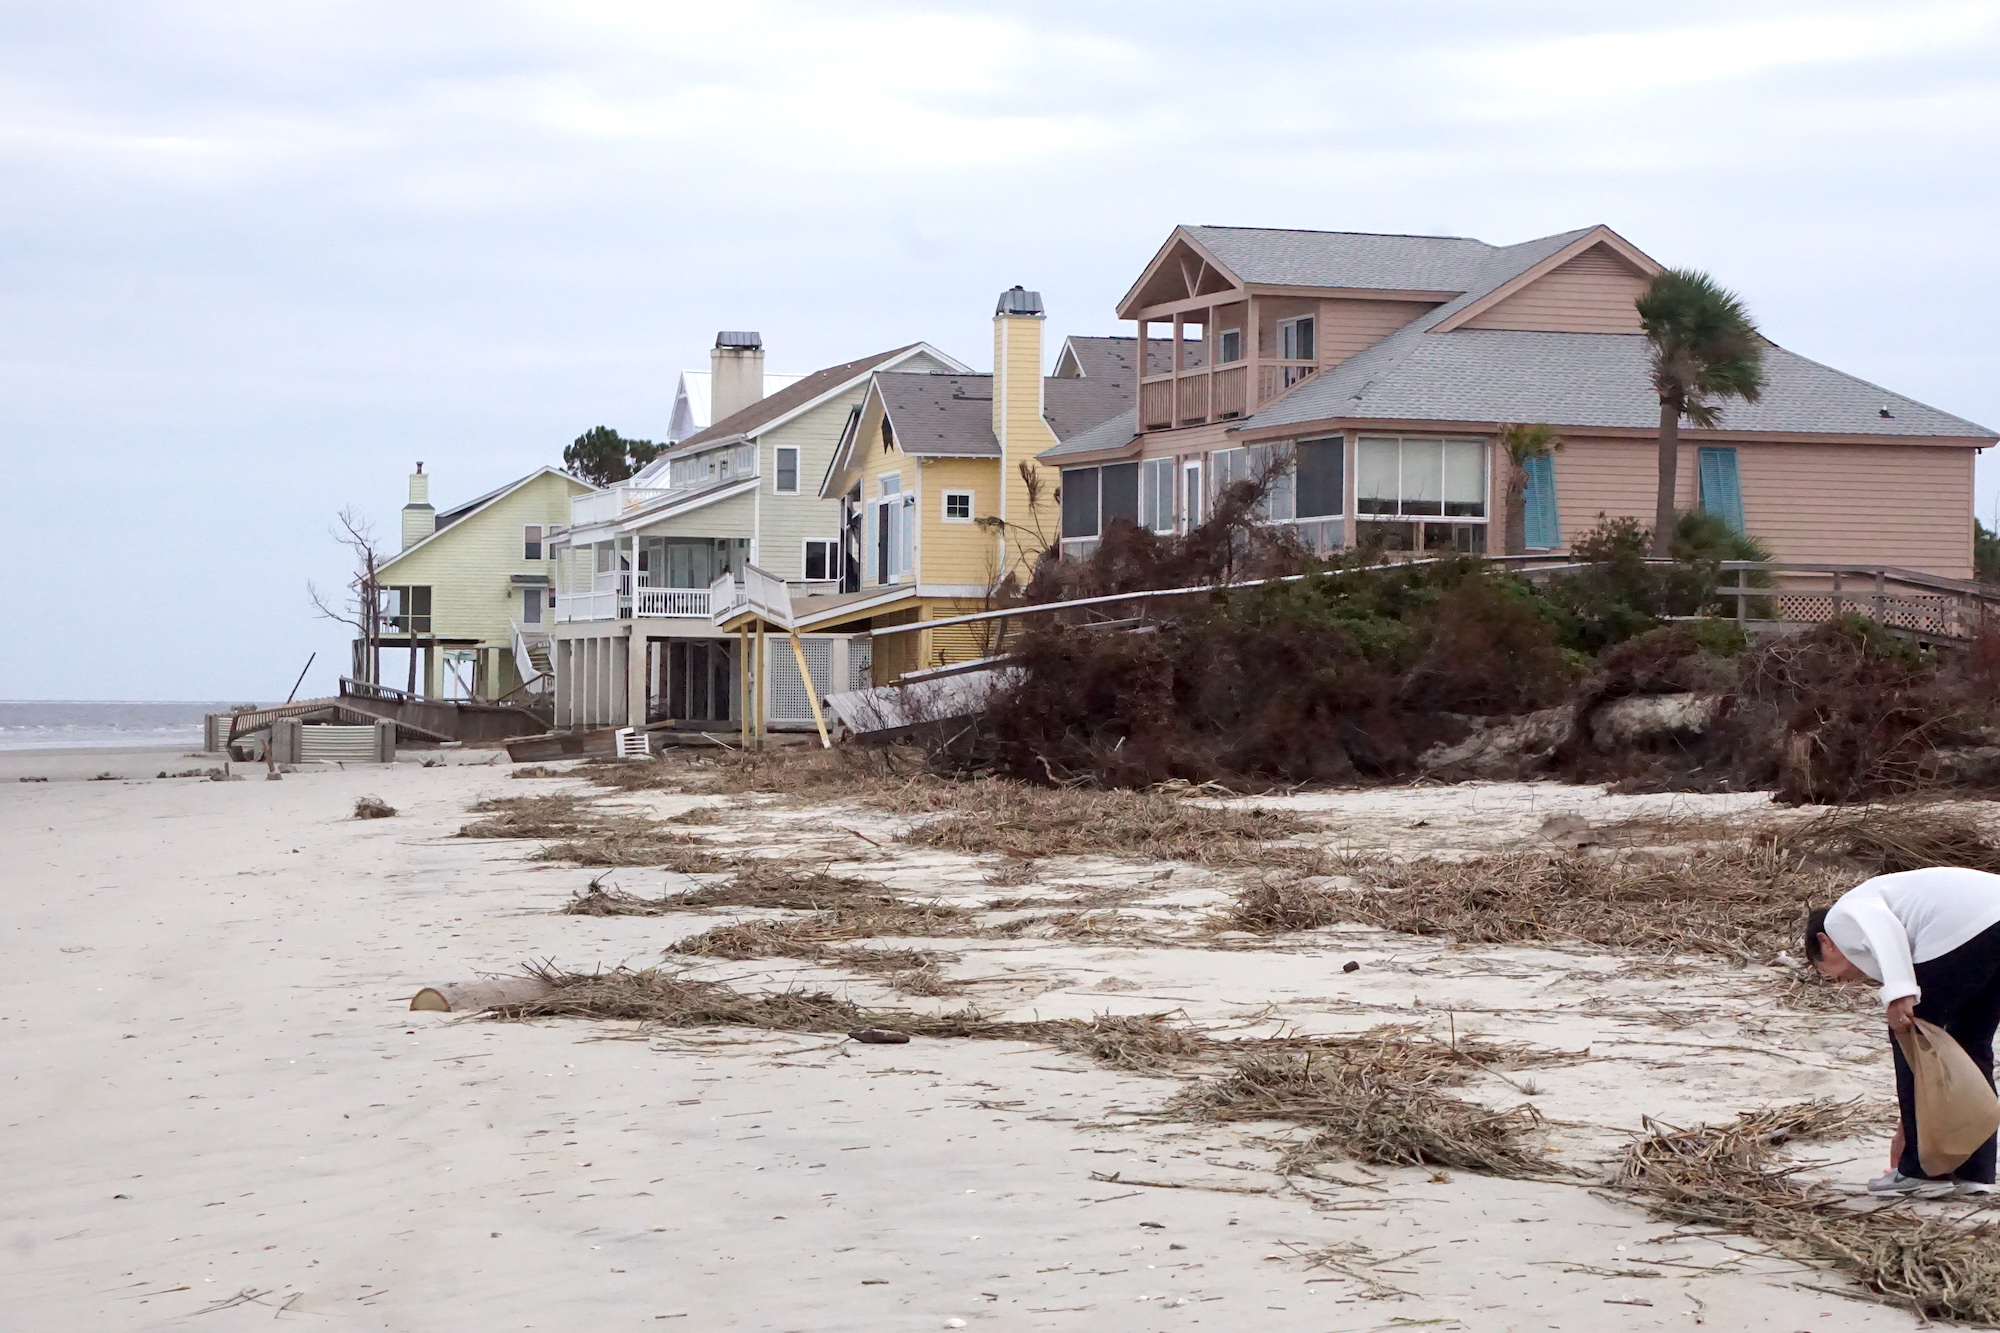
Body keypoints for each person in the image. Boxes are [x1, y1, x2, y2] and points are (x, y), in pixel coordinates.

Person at [1807, 866, 2000, 1196]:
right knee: (1970, 1044)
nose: (1838, 981)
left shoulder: (1841, 915)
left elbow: (1884, 929)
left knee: (1910, 1036)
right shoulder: (1893, 895)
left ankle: (1922, 1173)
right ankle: (1975, 1172)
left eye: (1827, 972)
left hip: (1966, 929)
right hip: (1989, 923)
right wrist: (1907, 1127)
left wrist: (1898, 990)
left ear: (1825, 943)